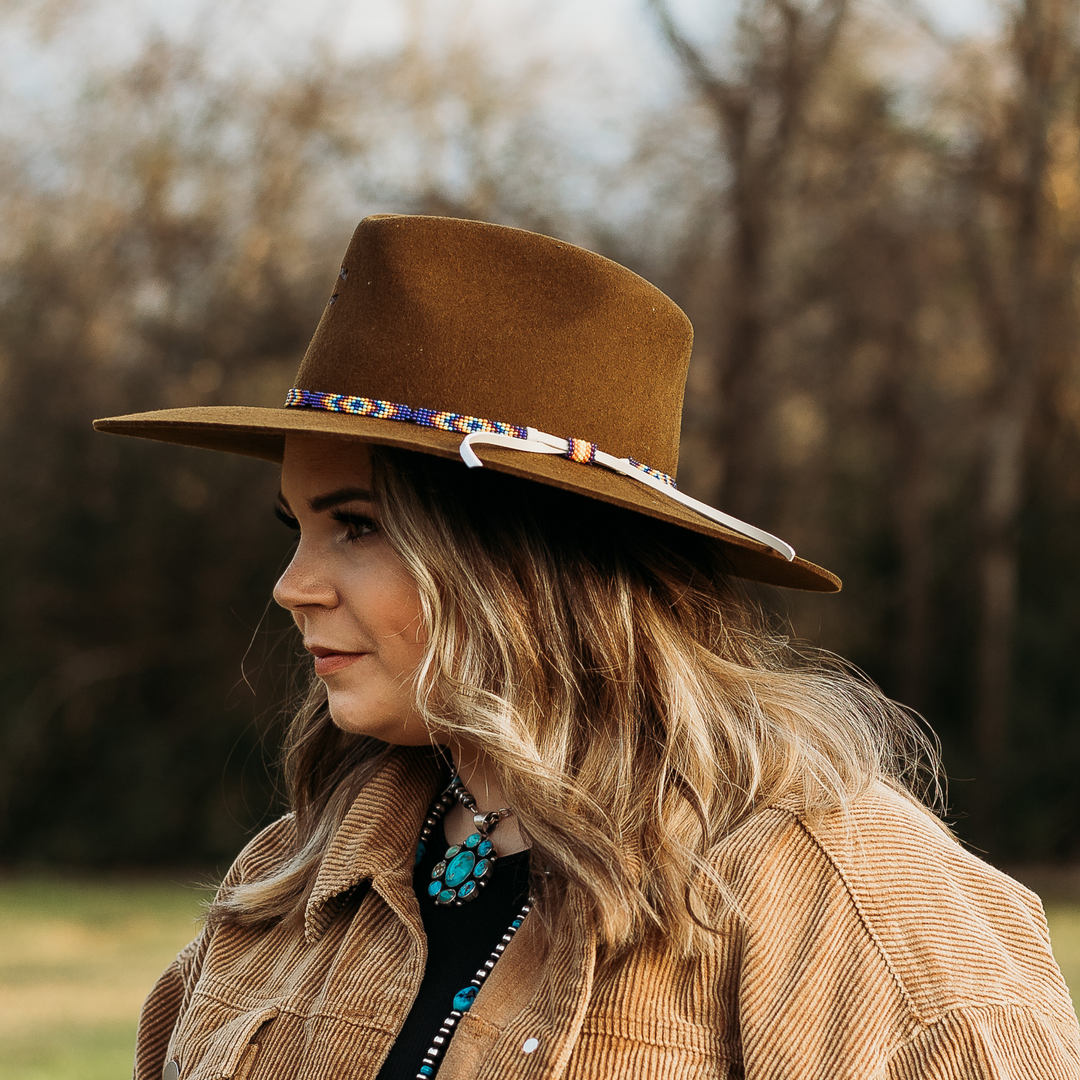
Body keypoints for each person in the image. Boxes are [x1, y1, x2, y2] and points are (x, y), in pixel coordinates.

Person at [96, 214, 1080, 1080]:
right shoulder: (293, 880)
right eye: (295, 528)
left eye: (357, 525)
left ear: (528, 558)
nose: (292, 585)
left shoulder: (835, 894)